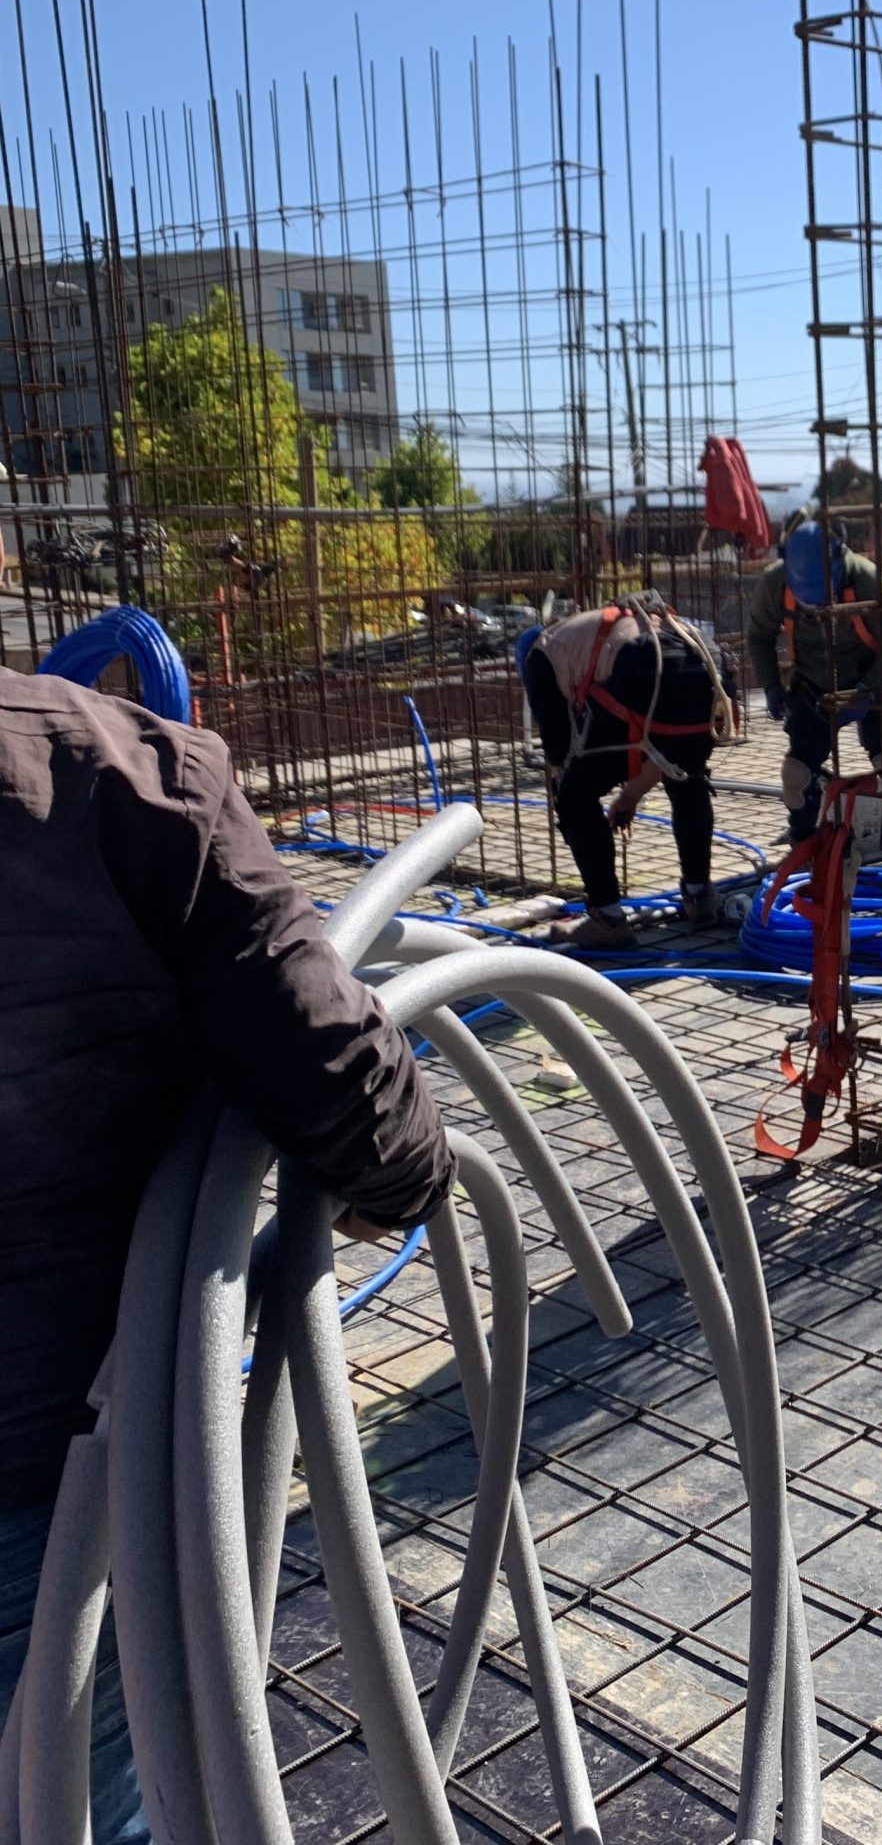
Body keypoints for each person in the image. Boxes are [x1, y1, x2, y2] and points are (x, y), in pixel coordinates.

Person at [0, 665, 454, 1839]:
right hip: (55, 1471)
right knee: (89, 1791)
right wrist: (401, 1177)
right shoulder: (110, 770)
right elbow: (321, 1052)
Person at [521, 594, 738, 946]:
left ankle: (608, 919)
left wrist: (582, 782)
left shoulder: (539, 657)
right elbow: (669, 754)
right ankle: (700, 898)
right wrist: (630, 793)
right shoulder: (587, 631)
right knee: (688, 776)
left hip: (646, 669)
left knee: (574, 798)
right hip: (709, 670)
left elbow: (560, 756)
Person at [746, 518, 882, 842]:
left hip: (869, 677)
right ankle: (805, 836)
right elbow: (759, 635)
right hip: (813, 683)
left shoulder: (865, 579)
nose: (816, 607)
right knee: (797, 772)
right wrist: (772, 686)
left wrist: (869, 689)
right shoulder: (775, 582)